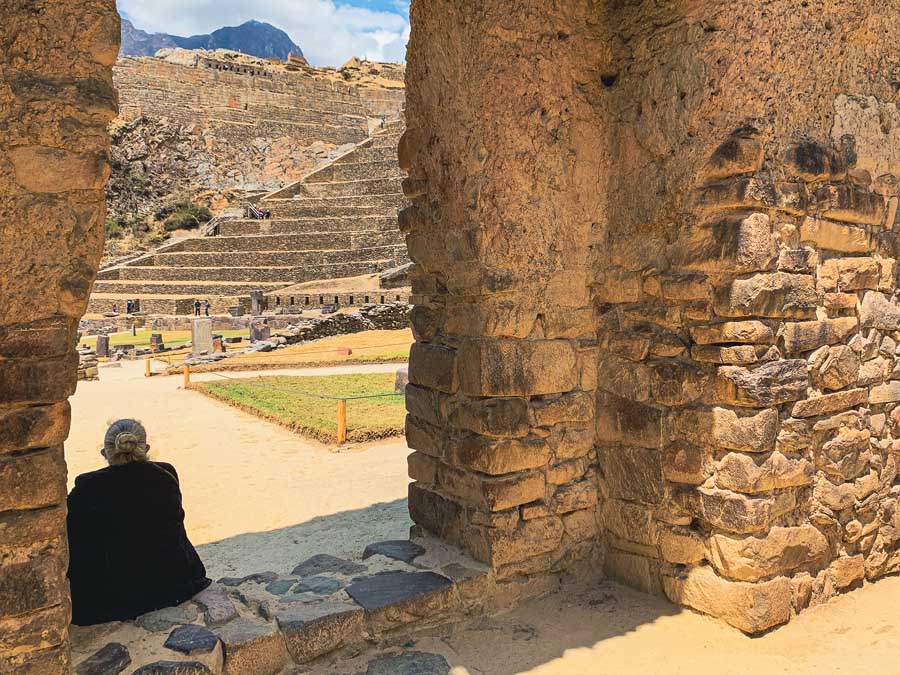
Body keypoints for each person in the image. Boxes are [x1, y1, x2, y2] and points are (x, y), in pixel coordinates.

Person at [66, 420, 210, 625]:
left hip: (117, 596)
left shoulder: (88, 485)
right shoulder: (166, 473)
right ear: (146, 448)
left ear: (105, 453)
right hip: (175, 582)